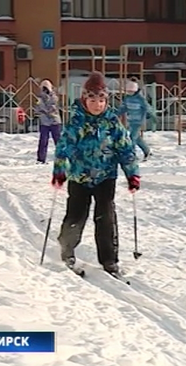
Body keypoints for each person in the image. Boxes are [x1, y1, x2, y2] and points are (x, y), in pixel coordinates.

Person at [50, 72, 140, 277]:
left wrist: (132, 175)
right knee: (76, 215)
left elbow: (126, 151)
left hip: (105, 177)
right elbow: (63, 148)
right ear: (84, 99)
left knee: (106, 217)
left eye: (101, 100)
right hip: (79, 177)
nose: (97, 104)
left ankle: (109, 259)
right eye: (92, 99)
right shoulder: (76, 122)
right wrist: (59, 172)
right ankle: (67, 249)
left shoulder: (113, 123)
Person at [117, 80, 156, 161]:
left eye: (131, 91)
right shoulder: (127, 98)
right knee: (137, 137)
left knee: (132, 137)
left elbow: (147, 107)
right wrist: (117, 114)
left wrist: (153, 116)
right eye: (128, 91)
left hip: (138, 121)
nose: (129, 93)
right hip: (131, 120)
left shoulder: (140, 99)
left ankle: (132, 154)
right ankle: (147, 151)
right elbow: (123, 108)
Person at [35, 79, 62, 164]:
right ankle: (41, 159)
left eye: (46, 88)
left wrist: (45, 110)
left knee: (58, 141)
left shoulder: (54, 97)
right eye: (43, 88)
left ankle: (62, 158)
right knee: (43, 141)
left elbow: (52, 107)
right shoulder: (40, 98)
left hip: (54, 121)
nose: (45, 90)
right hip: (44, 122)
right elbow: (38, 108)